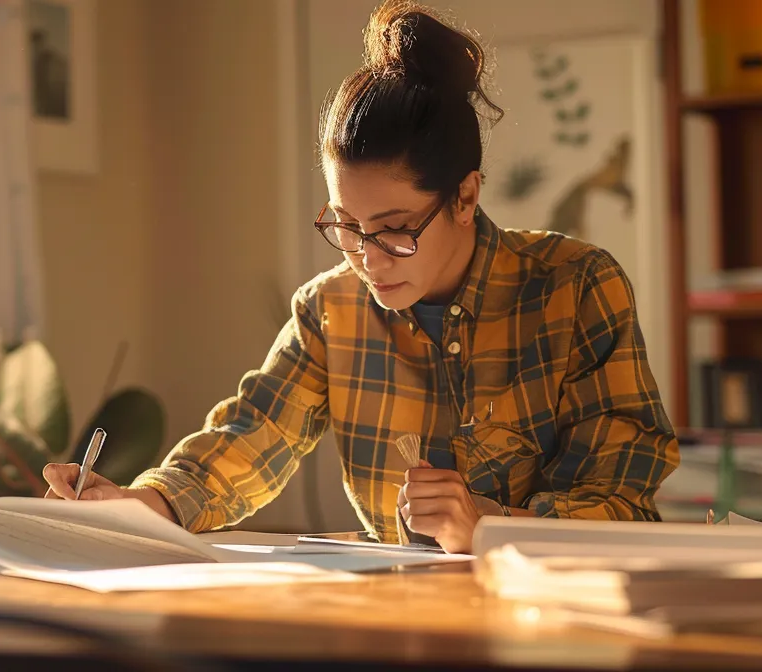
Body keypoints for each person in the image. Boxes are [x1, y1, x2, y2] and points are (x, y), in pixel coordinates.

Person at [44, 0, 679, 554]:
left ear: (465, 196)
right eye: (346, 226)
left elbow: (623, 504)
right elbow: (248, 437)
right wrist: (140, 506)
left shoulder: (576, 286)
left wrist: (491, 524)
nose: (367, 258)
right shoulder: (332, 310)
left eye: (396, 227)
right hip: (392, 622)